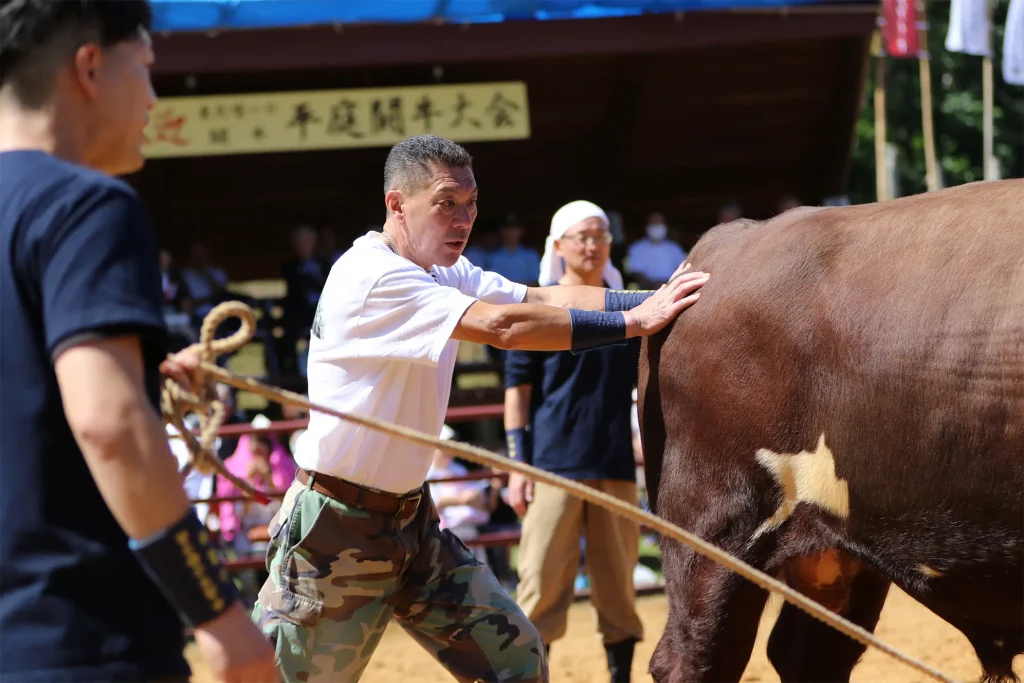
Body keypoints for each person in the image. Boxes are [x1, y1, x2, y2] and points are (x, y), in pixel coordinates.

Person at [251, 134, 709, 683]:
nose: (464, 217)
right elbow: (504, 328)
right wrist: (636, 321)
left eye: (471, 203)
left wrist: (658, 301)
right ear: (397, 205)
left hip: (410, 520)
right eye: (447, 203)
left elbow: (541, 297)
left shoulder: (443, 269)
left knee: (516, 660)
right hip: (334, 530)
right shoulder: (373, 274)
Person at [0, 2, 277, 682]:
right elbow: (109, 421)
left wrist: (139, 368)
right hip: (76, 639)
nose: (154, 97)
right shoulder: (87, 205)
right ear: (90, 67)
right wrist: (219, 616)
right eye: (147, 68)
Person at [504, 200, 649, 682]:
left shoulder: (629, 305)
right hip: (551, 466)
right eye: (583, 236)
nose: (592, 244)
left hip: (613, 463)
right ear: (559, 245)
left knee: (618, 589)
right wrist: (517, 465)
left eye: (600, 235)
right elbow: (517, 391)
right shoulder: (540, 303)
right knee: (540, 586)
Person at [626, 211, 689, 289]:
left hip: (672, 288)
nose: (657, 227)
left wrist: (668, 285)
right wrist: (653, 285)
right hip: (647, 292)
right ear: (647, 226)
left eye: (660, 223)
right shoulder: (637, 249)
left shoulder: (675, 248)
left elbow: (682, 269)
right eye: (654, 223)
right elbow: (637, 273)